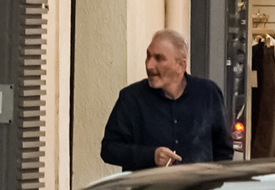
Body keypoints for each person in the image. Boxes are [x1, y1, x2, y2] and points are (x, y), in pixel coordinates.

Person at [100, 29, 234, 171]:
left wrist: (214, 185)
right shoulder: (131, 98)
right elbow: (109, 149)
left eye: (159, 58)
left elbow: (223, 150)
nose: (149, 65)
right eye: (148, 56)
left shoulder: (208, 93)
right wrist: (151, 156)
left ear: (180, 66)